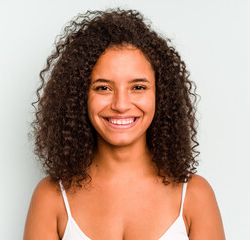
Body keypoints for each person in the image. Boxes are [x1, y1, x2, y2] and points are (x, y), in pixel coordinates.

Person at [24, 8, 225, 240]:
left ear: (161, 95)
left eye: (138, 87)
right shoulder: (51, 198)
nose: (121, 104)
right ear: (79, 96)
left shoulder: (194, 196)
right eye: (103, 88)